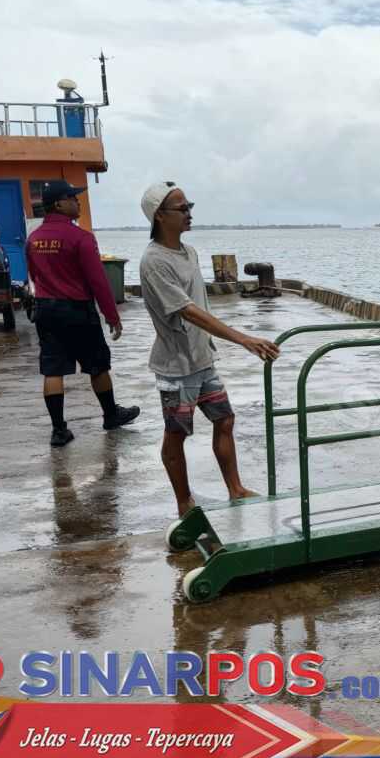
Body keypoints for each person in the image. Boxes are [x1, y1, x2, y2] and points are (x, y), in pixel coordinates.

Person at [138, 181, 281, 517]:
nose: (189, 213)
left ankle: (236, 489)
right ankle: (184, 503)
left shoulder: (189, 252)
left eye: (190, 206)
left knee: (225, 419)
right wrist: (243, 339)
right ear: (160, 216)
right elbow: (188, 311)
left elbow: (198, 306)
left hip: (202, 359)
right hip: (176, 366)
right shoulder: (154, 261)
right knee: (176, 433)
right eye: (182, 208)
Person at [25, 179, 140, 447]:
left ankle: (59, 430)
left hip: (46, 309)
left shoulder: (33, 239)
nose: (78, 202)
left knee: (53, 370)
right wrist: (112, 316)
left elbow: (33, 274)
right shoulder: (81, 238)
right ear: (58, 204)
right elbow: (98, 280)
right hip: (77, 309)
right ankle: (110, 415)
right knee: (97, 364)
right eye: (72, 198)